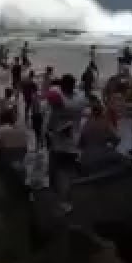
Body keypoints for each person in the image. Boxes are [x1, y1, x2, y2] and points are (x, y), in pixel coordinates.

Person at [43, 73, 88, 207]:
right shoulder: (80, 99)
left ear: (62, 86)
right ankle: (70, 200)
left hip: (59, 144)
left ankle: (60, 201)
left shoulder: (58, 103)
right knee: (70, 173)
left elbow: (50, 124)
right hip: (75, 142)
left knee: (56, 173)